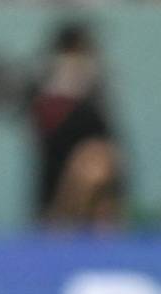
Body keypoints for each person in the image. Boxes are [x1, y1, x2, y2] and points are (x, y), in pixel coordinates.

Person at [28, 21, 125, 229]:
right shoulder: (44, 87)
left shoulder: (95, 89)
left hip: (93, 155)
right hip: (57, 171)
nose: (73, 66)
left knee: (94, 165)